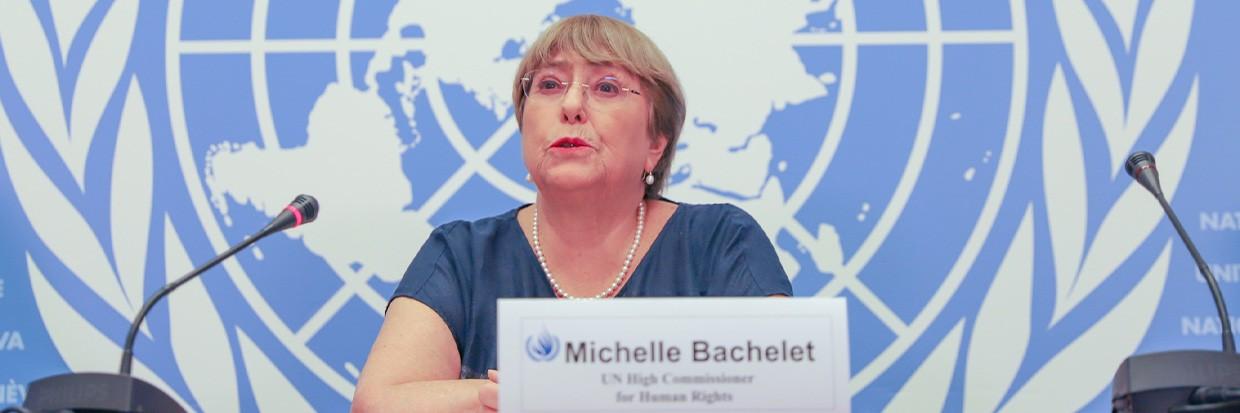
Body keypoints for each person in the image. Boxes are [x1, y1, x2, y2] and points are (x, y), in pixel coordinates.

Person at [351, 14, 792, 412]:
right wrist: (511, 396)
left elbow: (787, 393)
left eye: (605, 87)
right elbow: (380, 402)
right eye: (548, 85)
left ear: (655, 144)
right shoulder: (462, 252)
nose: (570, 106)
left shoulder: (719, 241)